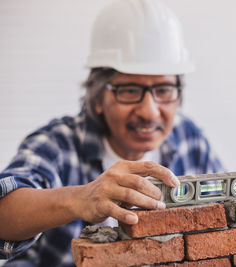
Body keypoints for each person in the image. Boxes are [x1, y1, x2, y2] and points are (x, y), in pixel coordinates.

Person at [0, 0, 224, 266]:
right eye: (129, 90)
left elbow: (227, 217)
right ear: (97, 98)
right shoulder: (57, 144)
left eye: (163, 90)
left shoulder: (189, 139)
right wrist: (80, 198)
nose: (150, 112)